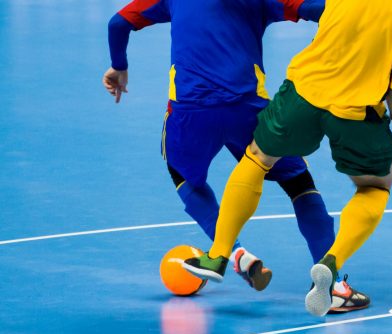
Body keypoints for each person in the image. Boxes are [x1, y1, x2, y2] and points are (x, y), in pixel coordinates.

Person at [102, 0, 371, 313]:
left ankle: (232, 253)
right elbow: (320, 9)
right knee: (298, 182)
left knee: (183, 176)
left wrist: (119, 66)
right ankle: (333, 286)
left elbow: (117, 24)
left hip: (191, 114)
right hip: (248, 111)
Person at [184, 0, 392, 316]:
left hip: (303, 93)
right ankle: (330, 265)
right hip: (357, 110)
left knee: (257, 157)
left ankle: (218, 253)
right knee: (375, 185)